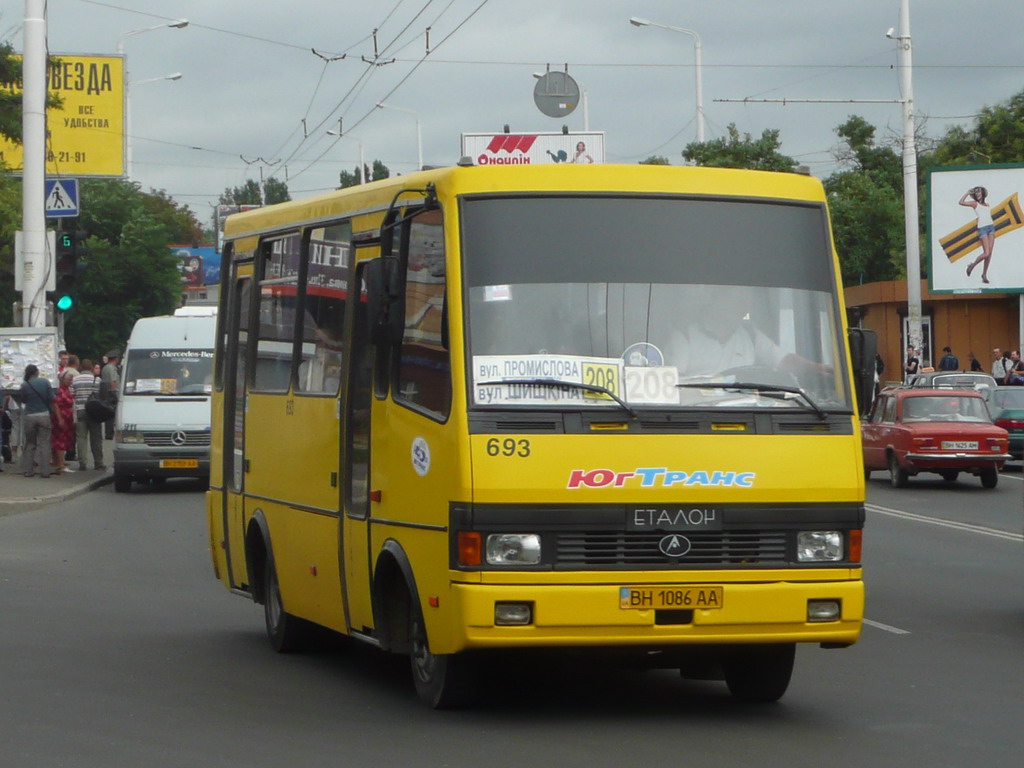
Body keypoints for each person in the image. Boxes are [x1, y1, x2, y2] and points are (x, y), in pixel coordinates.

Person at [18, 364, 58, 478]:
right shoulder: (45, 382)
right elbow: (52, 398)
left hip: (30, 415)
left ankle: (28, 471)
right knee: (44, 444)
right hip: (44, 415)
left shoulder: (25, 385)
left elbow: (24, 400)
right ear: (36, 372)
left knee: (30, 444)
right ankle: (45, 471)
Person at [71, 358, 104, 471]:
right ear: (91, 368)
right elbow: (101, 396)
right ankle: (98, 463)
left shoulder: (75, 380)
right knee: (96, 438)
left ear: (81, 367)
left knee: (81, 438)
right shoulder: (97, 380)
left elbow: (72, 395)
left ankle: (82, 463)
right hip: (94, 411)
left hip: (80, 410)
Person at [961, 187, 997, 283]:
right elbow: (961, 202)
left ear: (983, 193)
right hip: (983, 229)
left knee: (989, 255)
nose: (977, 194)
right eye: (976, 192)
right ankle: (972, 265)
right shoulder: (974, 203)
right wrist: (967, 193)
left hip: (991, 227)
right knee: (986, 253)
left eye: (979, 192)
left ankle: (984, 274)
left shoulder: (987, 205)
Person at [50, 371, 76, 473]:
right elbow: (55, 404)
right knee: (60, 440)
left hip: (67, 418)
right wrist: (60, 419)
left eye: (71, 380)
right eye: (69, 380)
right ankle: (61, 464)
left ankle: (57, 462)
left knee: (60, 440)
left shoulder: (67, 389)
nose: (70, 382)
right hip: (61, 418)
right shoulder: (60, 390)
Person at [101, 349, 121, 439]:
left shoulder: (105, 368)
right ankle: (110, 433)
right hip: (112, 393)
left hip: (106, 393)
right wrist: (115, 394)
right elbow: (113, 382)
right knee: (112, 414)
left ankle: (108, 432)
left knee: (108, 413)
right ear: (116, 359)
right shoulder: (111, 368)